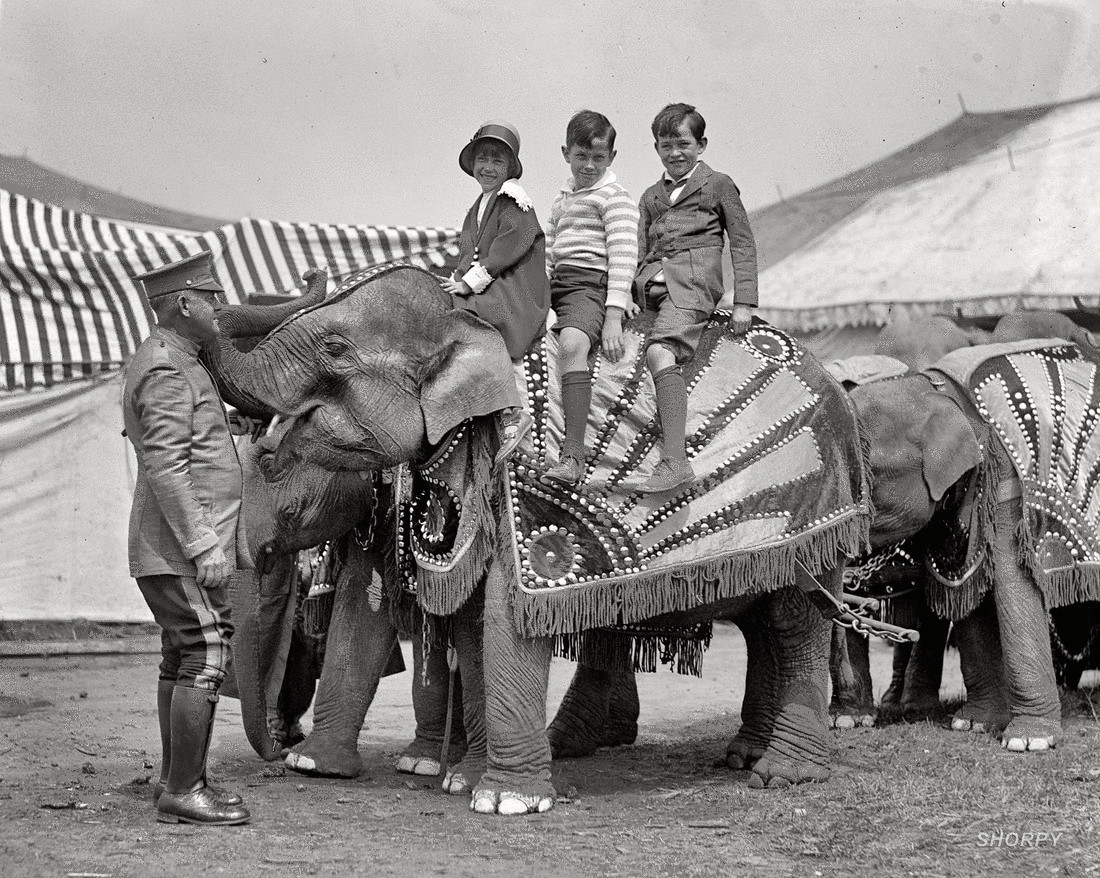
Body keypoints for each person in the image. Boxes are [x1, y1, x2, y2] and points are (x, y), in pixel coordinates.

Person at [124, 252, 252, 826]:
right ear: (183, 303)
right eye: (212, 296)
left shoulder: (180, 360)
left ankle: (179, 781)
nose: (221, 306)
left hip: (169, 546)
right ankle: (183, 790)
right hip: (180, 548)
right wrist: (205, 546)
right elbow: (167, 467)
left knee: (180, 657)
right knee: (206, 652)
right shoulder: (168, 368)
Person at [634, 102, 759, 494]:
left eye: (683, 143)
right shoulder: (651, 195)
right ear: (656, 148)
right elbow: (639, 250)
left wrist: (745, 301)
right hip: (652, 284)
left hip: (693, 283)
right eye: (665, 145)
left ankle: (674, 460)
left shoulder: (718, 184)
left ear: (701, 144)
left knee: (658, 353)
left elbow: (741, 242)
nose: (675, 153)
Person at [541, 110, 640, 486]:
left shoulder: (614, 197)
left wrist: (613, 313)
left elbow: (623, 256)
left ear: (611, 158)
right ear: (566, 152)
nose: (589, 165)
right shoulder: (562, 198)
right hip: (557, 284)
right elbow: (550, 251)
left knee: (572, 344)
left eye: (598, 157)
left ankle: (573, 454)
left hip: (589, 285)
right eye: (581, 156)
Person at [441, 120, 549, 462]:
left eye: (497, 161)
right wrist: (455, 281)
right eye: (483, 159)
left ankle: (513, 410)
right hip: (496, 281)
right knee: (446, 303)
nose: (488, 167)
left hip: (516, 287)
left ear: (510, 167)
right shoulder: (478, 206)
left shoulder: (513, 199)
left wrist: (468, 284)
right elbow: (466, 254)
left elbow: (507, 249)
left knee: (473, 315)